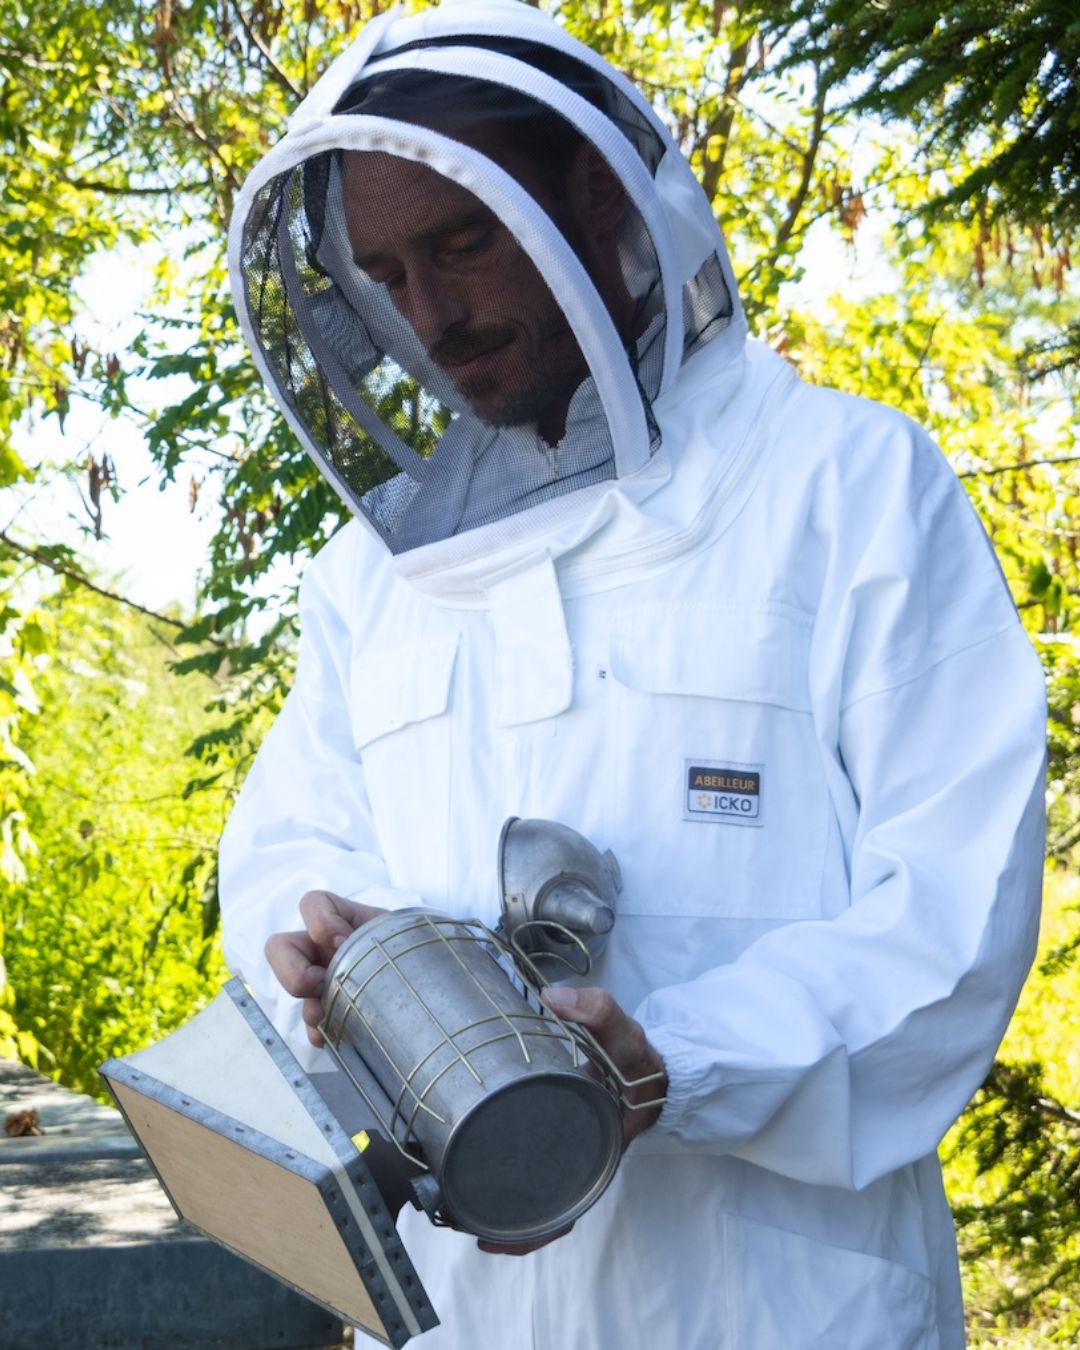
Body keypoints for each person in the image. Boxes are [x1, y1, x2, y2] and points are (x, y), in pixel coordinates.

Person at [218, 4, 1047, 1347]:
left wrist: (684, 1060)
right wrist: (317, 957)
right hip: (463, 1314)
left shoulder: (847, 487)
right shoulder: (372, 577)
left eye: (461, 242)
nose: (428, 315)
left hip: (779, 1310)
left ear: (593, 192)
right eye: (386, 273)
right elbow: (281, 850)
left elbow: (954, 913)